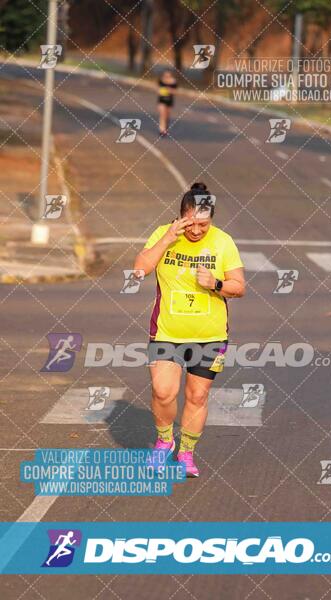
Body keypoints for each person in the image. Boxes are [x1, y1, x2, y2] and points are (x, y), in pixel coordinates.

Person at [134, 182, 245, 477]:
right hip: (167, 332)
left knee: (197, 396)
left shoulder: (223, 242)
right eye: (192, 223)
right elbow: (140, 269)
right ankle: (165, 441)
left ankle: (186, 452)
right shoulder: (163, 234)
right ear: (181, 216)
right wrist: (167, 239)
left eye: (204, 224)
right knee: (162, 391)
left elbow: (239, 287)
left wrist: (217, 284)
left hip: (210, 335)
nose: (197, 231)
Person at [157, 70, 177, 136]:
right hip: (162, 100)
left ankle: (166, 126)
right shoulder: (161, 81)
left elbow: (175, 92)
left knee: (167, 115)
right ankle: (162, 130)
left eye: (168, 76)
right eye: (165, 76)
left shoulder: (174, 82)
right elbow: (158, 89)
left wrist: (170, 91)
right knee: (162, 114)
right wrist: (161, 91)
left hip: (169, 101)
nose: (166, 77)